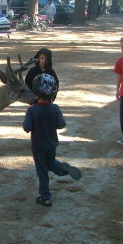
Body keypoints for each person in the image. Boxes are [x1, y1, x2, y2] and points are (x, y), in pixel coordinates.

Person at [23, 74, 81, 207]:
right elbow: (61, 124)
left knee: (42, 171)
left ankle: (45, 197)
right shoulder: (55, 108)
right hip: (51, 145)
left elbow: (26, 128)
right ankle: (63, 169)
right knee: (50, 163)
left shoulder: (32, 110)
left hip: (38, 147)